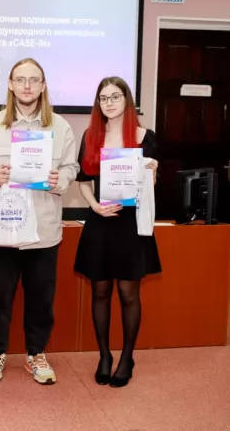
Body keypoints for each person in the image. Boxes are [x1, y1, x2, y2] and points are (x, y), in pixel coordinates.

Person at [0, 58, 79, 385]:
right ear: (10, 84)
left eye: (33, 80)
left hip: (43, 231)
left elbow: (71, 167)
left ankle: (36, 353)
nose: (27, 86)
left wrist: (60, 180)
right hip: (1, 231)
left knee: (40, 298)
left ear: (43, 85)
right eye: (20, 79)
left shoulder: (60, 127)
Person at [74, 76, 161, 388]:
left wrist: (152, 172)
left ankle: (126, 357)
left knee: (128, 293)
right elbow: (83, 182)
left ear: (127, 100)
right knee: (99, 291)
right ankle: (104, 356)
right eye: (103, 98)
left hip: (131, 225)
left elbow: (149, 185)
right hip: (100, 221)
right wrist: (94, 206)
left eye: (115, 97)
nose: (109, 103)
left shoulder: (144, 136)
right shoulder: (91, 136)